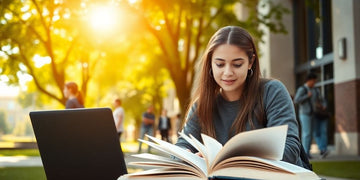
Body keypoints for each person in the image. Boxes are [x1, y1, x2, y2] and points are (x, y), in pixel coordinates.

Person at [175, 26, 308, 168]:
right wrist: (187, 156)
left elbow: (290, 150)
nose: (227, 72)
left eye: (237, 64)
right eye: (220, 64)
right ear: (211, 64)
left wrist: (229, 159)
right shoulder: (202, 104)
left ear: (251, 62)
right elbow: (180, 147)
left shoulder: (272, 91)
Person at [294, 73, 319, 159]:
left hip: (312, 114)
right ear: (309, 80)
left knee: (309, 134)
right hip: (304, 114)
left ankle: (307, 152)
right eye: (314, 81)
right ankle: (304, 154)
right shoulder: (303, 89)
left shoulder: (314, 90)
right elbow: (296, 100)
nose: (314, 83)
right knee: (306, 134)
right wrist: (306, 96)